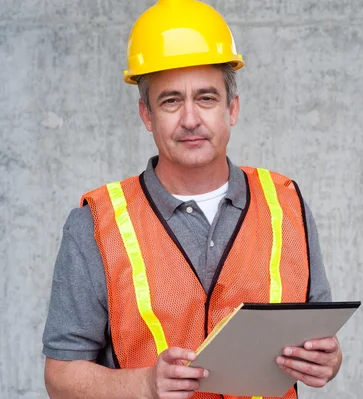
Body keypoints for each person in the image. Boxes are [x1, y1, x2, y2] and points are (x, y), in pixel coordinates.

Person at [42, 0, 342, 398]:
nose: (190, 119)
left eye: (206, 98)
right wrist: (145, 384)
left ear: (231, 108)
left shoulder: (285, 204)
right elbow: (60, 377)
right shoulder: (96, 224)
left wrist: (328, 361)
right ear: (146, 115)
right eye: (170, 100)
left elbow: (317, 337)